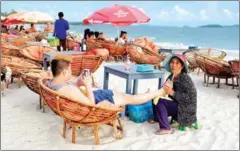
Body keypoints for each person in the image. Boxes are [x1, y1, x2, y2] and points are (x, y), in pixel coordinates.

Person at [46, 54, 164, 108]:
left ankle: (147, 95)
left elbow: (74, 90)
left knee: (124, 95)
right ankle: (158, 92)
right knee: (130, 98)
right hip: (98, 100)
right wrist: (87, 85)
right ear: (65, 72)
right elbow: (91, 105)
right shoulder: (68, 89)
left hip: (95, 95)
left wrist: (78, 82)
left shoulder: (51, 83)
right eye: (70, 70)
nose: (71, 72)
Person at [153, 54, 197, 135]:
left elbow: (189, 99)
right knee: (155, 98)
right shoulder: (171, 76)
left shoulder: (185, 78)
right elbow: (168, 93)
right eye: (172, 62)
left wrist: (172, 92)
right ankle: (157, 118)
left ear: (182, 66)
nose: (174, 65)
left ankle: (166, 128)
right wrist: (164, 90)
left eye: (177, 63)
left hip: (186, 109)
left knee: (160, 102)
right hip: (177, 103)